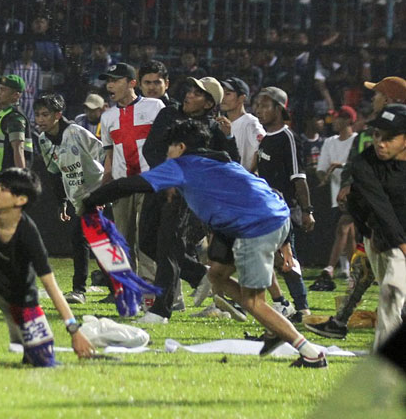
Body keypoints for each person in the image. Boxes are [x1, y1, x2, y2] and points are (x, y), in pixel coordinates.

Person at [84, 119, 329, 368]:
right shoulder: (224, 162)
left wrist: (91, 201)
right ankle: (274, 329)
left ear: (180, 147)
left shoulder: (182, 165)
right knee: (216, 275)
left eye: (169, 148)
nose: (167, 155)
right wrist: (285, 240)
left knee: (253, 301)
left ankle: (311, 353)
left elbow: (128, 184)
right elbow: (271, 193)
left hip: (255, 227)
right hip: (272, 218)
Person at [0, 168, 94, 367]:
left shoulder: (28, 234)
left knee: (41, 360)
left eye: (3, 189)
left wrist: (74, 330)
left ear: (21, 200)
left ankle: (30, 347)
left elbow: (51, 286)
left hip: (17, 294)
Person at [307, 76, 406, 339]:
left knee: (384, 281)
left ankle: (342, 323)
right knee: (371, 273)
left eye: (377, 93)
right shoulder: (370, 132)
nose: (372, 98)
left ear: (391, 98)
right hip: (375, 218)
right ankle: (342, 322)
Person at [138, 77, 238, 323]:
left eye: (197, 93)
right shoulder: (168, 114)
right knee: (147, 243)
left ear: (209, 104)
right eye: (190, 90)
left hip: (186, 197)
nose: (189, 95)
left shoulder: (213, 129)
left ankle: (161, 310)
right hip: (159, 185)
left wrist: (228, 138)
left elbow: (229, 162)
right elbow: (150, 148)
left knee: (168, 247)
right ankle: (199, 274)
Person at [343, 104, 406, 348]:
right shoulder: (364, 163)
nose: (380, 143)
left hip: (394, 237)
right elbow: (382, 210)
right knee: (392, 295)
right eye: (377, 135)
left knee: (392, 290)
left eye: (389, 138)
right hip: (380, 235)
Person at [34, 94, 105, 305]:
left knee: (82, 238)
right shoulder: (43, 140)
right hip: (79, 197)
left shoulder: (75, 132)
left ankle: (80, 290)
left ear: (58, 115)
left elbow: (103, 154)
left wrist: (107, 190)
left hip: (98, 190)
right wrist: (62, 202)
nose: (40, 119)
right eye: (37, 115)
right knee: (94, 240)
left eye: (45, 114)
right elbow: (55, 172)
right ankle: (111, 287)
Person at [253, 87, 313, 322]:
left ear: (279, 109)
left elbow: (298, 177)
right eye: (257, 105)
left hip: (282, 209)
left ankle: (302, 308)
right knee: (270, 257)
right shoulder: (266, 139)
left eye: (264, 105)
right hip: (265, 207)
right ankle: (282, 303)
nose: (259, 110)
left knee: (286, 258)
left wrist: (307, 210)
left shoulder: (288, 137)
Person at [100, 62, 164, 280]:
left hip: (149, 183)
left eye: (115, 80)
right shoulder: (107, 117)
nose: (110, 85)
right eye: (108, 81)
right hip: (122, 186)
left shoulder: (155, 107)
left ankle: (150, 289)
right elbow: (109, 154)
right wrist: (106, 183)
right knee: (123, 240)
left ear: (132, 83)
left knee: (146, 238)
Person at [310, 106, 358, 291]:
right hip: (336, 195)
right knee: (349, 234)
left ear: (348, 120)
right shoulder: (329, 142)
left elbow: (359, 165)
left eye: (338, 118)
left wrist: (340, 166)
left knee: (343, 228)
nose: (334, 122)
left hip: (355, 193)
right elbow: (321, 169)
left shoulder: (356, 140)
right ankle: (355, 273)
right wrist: (324, 177)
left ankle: (329, 268)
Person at [0, 74, 33, 171]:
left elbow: (18, 149)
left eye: (3, 90)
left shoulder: (15, 118)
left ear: (16, 95)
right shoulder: (3, 113)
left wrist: (21, 176)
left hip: (6, 175)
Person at [219, 77, 265, 172]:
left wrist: (250, 173)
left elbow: (262, 148)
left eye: (228, 94)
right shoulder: (222, 122)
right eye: (222, 93)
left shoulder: (250, 122)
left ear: (241, 98)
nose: (223, 97)